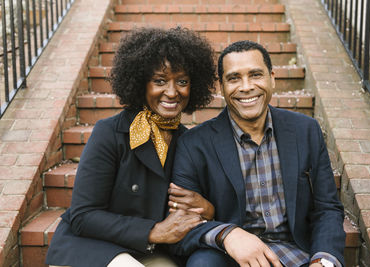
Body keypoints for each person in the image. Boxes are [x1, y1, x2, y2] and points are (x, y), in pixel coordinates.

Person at [46, 27, 217, 267]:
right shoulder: (110, 132)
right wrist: (154, 231)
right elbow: (83, 216)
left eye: (182, 81)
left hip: (143, 251)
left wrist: (207, 208)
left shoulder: (187, 141)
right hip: (89, 247)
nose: (172, 92)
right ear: (140, 83)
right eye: (159, 81)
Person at [169, 40, 346, 267]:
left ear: (272, 78)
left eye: (255, 75)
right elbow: (181, 226)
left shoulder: (305, 130)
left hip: (295, 254)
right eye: (234, 78)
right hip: (229, 256)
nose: (246, 87)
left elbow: (327, 208)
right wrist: (227, 234)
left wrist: (324, 260)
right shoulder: (193, 144)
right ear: (221, 87)